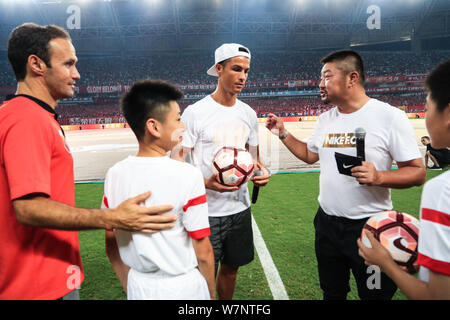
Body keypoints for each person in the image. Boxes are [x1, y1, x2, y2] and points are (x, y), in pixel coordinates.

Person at [0, 23, 176, 300]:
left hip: (48, 277)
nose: (76, 74)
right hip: (36, 285)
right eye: (68, 64)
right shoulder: (27, 119)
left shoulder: (32, 116)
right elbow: (28, 208)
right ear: (36, 64)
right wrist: (113, 217)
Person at [265, 49, 426, 300]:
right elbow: (310, 155)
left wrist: (380, 177)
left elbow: (417, 172)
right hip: (327, 224)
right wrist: (283, 133)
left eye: (327, 76)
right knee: (332, 291)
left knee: (374, 295)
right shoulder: (326, 119)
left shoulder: (389, 117)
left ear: (352, 78)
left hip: (370, 229)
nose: (320, 84)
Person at [103, 80, 216, 300]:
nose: (183, 126)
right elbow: (203, 251)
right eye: (178, 119)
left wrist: (130, 285)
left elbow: (111, 243)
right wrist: (211, 295)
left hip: (138, 285)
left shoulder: (114, 174)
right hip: (183, 287)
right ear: (154, 127)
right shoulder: (187, 175)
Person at [178, 43, 270, 300]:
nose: (243, 76)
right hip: (204, 212)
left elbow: (254, 159)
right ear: (219, 69)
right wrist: (204, 182)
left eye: (247, 71)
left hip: (239, 210)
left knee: (231, 270)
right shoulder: (195, 113)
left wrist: (260, 174)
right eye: (236, 69)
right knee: (202, 274)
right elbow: (177, 160)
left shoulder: (248, 114)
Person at [358, 59, 450, 300]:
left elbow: (437, 296)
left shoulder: (442, 191)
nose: (426, 117)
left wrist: (384, 263)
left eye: (427, 108)